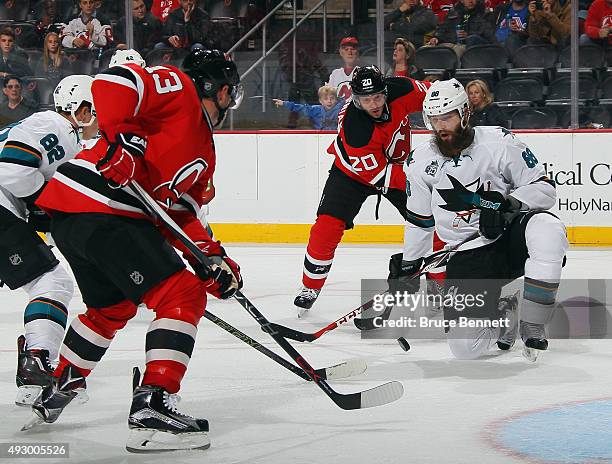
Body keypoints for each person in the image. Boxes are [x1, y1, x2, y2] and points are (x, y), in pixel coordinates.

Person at [28, 49, 244, 453]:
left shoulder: (205, 155)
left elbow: (181, 218)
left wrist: (213, 259)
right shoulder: (179, 90)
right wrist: (120, 142)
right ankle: (154, 404)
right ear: (221, 89)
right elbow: (112, 83)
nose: (232, 103)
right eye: (231, 94)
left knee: (113, 309)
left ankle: (62, 381)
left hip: (77, 215)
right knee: (181, 294)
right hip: (101, 205)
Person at [394, 78, 568, 360]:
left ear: (464, 113)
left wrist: (509, 203)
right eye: (434, 118)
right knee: (465, 349)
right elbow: (419, 220)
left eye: (447, 117)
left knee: (548, 228)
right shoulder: (419, 161)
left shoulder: (500, 141)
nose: (441, 126)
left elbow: (544, 189)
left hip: (506, 238)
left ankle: (533, 322)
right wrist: (410, 264)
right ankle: (505, 313)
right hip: (466, 255)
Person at [293, 66, 431, 314]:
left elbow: (435, 96)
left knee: (431, 222)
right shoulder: (355, 128)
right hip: (352, 174)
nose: (374, 104)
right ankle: (310, 286)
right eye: (366, 100)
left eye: (378, 97)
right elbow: (381, 176)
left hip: (396, 165)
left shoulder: (403, 88)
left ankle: (441, 284)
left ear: (385, 91)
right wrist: (420, 175)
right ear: (356, 99)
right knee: (327, 226)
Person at [0, 74, 95, 406]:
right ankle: (37, 360)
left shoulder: (46, 125)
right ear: (81, 111)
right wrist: (42, 203)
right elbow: (11, 168)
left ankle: (34, 370)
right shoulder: (59, 129)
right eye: (95, 111)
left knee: (50, 280)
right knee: (52, 283)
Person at [427, 0, 495, 58]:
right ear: (462, 1)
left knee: (457, 50)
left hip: (471, 45)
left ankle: (450, 73)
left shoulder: (484, 13)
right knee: (426, 49)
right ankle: (427, 73)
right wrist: (436, 38)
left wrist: (468, 35)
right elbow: (443, 28)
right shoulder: (453, 11)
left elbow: (487, 34)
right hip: (450, 42)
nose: (471, 1)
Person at [272, 85, 344, 130]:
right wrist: (284, 103)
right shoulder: (316, 109)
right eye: (326, 99)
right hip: (319, 138)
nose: (329, 101)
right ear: (320, 101)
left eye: (332, 98)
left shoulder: (341, 109)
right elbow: (301, 108)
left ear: (336, 99)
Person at [326, 36, 360, 101]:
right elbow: (329, 98)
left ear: (357, 52)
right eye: (346, 49)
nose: (349, 52)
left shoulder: (363, 73)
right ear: (341, 53)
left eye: (352, 49)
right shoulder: (335, 74)